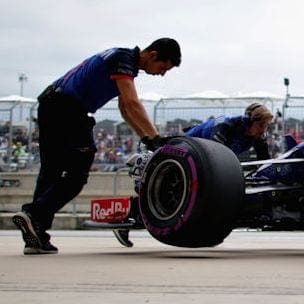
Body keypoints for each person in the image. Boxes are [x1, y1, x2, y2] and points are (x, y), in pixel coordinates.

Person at [13, 38, 181, 255]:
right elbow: (132, 103)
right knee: (77, 176)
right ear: (152, 55)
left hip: (50, 104)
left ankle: (36, 235)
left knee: (51, 172)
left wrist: (147, 139)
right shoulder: (124, 60)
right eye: (163, 67)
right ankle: (33, 214)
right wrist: (156, 137)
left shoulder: (121, 59)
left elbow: (124, 109)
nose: (162, 74)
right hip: (69, 109)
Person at [185, 103, 275, 160]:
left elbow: (264, 162)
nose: (263, 130)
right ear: (248, 121)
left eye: (267, 125)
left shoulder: (258, 135)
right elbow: (216, 157)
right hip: (188, 143)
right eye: (261, 125)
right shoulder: (225, 125)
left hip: (204, 152)